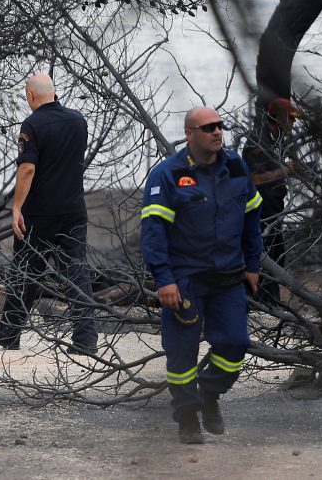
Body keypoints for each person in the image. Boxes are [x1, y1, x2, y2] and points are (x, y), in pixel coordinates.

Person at [140, 107, 263, 444]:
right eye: (208, 127)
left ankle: (209, 393)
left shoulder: (236, 167)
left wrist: (252, 265)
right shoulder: (168, 174)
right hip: (185, 280)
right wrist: (163, 279)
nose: (217, 132)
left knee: (235, 344)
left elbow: (252, 218)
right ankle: (187, 417)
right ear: (190, 133)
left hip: (228, 278)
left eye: (220, 126)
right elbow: (153, 232)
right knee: (181, 355)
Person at [0, 73, 97, 354]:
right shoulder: (78, 120)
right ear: (54, 93)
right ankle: (85, 339)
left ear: (31, 96)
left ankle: (9, 333)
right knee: (76, 273)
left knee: (25, 273)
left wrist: (17, 207)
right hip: (73, 211)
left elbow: (27, 168)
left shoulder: (32, 124)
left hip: (39, 215)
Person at [242, 97, 301, 303]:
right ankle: (259, 299)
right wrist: (283, 169)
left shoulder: (279, 139)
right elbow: (254, 178)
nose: (293, 124)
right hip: (260, 209)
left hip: (276, 207)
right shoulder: (258, 141)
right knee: (263, 256)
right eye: (290, 119)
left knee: (278, 256)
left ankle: (270, 298)